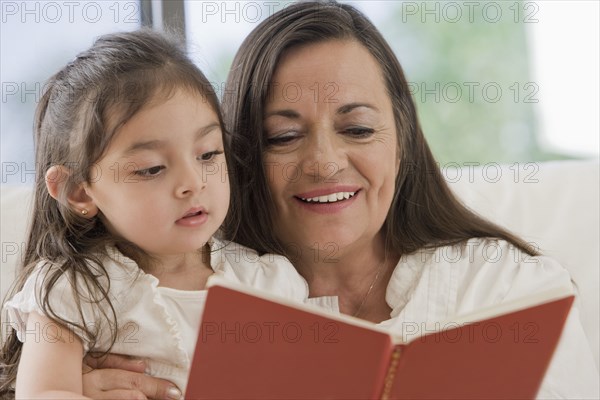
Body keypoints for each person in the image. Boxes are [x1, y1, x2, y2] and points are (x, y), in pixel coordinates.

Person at [77, 1, 599, 399]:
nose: (325, 162)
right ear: (240, 157)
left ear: (403, 143)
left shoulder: (511, 288)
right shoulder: (143, 308)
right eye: (282, 137)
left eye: (358, 128)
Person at [0, 29, 299, 399]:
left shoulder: (269, 284)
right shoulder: (73, 289)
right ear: (79, 191)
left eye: (207, 154)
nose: (192, 183)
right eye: (152, 169)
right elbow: (43, 393)